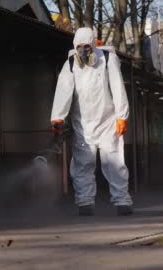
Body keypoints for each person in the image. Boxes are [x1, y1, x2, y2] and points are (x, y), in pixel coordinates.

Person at [51, 27, 132, 216]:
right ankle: (85, 202)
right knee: (82, 163)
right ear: (74, 46)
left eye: (87, 46)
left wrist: (122, 116)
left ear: (94, 44)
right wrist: (58, 117)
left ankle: (122, 201)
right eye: (79, 46)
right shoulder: (70, 64)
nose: (83, 50)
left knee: (114, 162)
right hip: (83, 125)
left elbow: (118, 87)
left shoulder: (107, 59)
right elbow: (63, 91)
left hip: (108, 122)